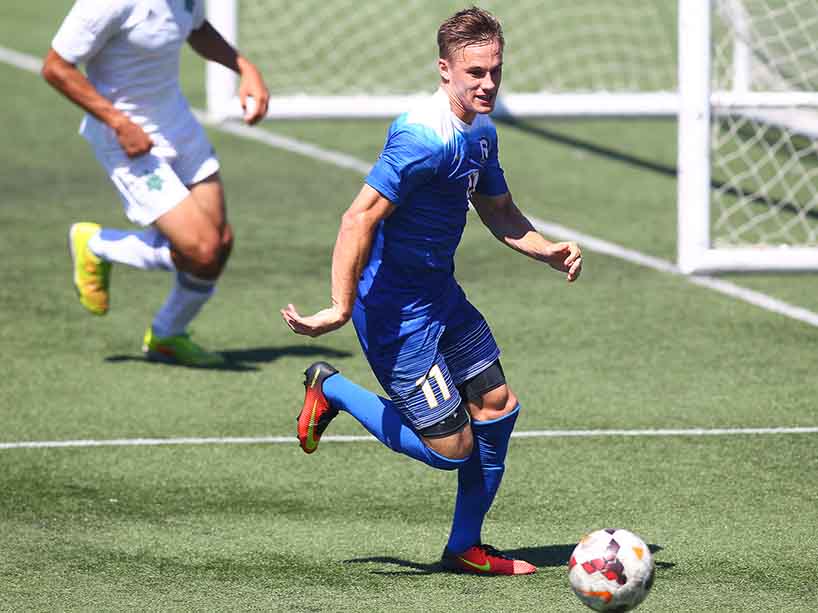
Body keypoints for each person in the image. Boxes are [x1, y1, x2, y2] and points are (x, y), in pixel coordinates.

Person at [281, 7, 582, 575]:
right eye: (475, 73)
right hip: (395, 311)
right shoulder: (422, 138)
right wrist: (340, 307)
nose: (488, 84)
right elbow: (358, 218)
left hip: (441, 296)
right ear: (445, 70)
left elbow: (497, 208)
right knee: (451, 450)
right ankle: (331, 388)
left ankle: (465, 548)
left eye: (495, 70)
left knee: (498, 406)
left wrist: (545, 250)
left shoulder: (481, 131)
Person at [43, 0, 269, 366]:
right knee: (203, 251)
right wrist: (118, 122)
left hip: (178, 126)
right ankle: (97, 244)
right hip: (126, 138)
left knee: (220, 243)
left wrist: (245, 68)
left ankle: (167, 336)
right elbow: (56, 68)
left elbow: (197, 29)